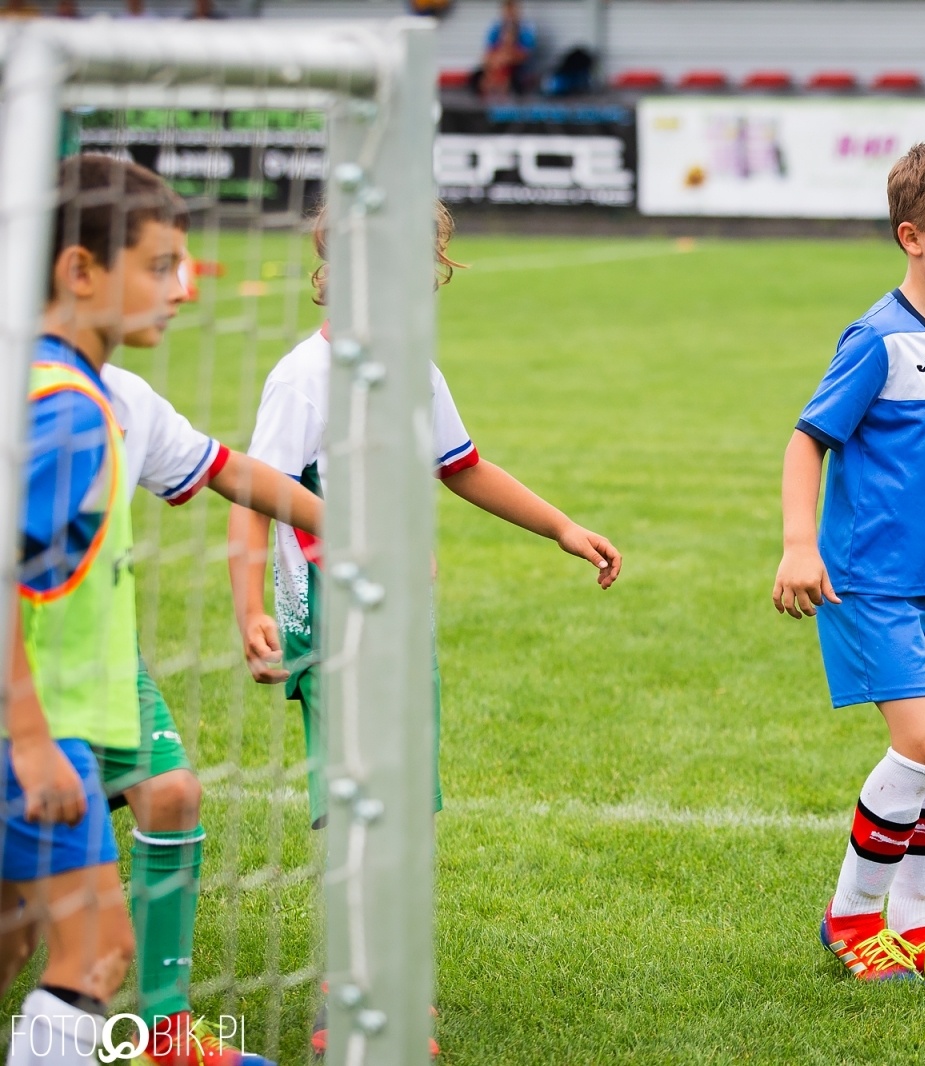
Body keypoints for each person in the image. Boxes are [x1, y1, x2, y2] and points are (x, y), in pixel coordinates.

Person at [227, 198, 621, 1054]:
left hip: (403, 616)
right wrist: (252, 603)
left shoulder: (416, 371)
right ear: (336, 278)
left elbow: (462, 466)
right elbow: (253, 487)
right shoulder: (304, 378)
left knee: (405, 803)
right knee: (358, 804)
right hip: (329, 616)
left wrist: (560, 525)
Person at [0, 157, 320, 1066]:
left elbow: (225, 469)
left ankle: (164, 1035)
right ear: (80, 272)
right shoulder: (62, 414)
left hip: (66, 712)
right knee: (95, 953)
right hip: (37, 723)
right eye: (159, 265)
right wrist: (28, 740)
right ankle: (162, 1036)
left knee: (19, 942)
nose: (183, 289)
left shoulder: (97, 392)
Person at [773, 142, 925, 983]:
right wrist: (800, 545)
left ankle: (915, 930)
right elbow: (807, 443)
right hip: (866, 577)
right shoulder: (877, 339)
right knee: (923, 744)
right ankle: (852, 918)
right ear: (912, 235)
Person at [469, 0, 537, 98]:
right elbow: (487, 53)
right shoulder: (496, 28)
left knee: (514, 78)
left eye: (512, 11)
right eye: (507, 12)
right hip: (497, 63)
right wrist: (495, 62)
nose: (509, 15)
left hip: (515, 66)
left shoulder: (526, 30)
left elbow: (524, 56)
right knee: (477, 77)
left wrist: (507, 57)